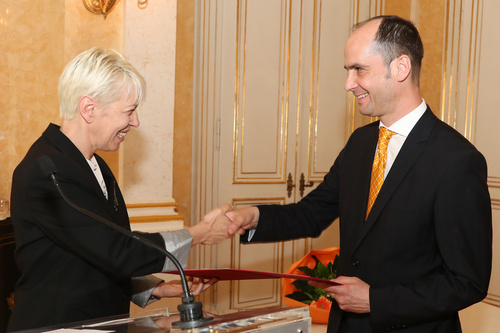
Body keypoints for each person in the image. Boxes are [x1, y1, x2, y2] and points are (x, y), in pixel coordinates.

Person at [226, 15, 492, 333]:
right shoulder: (360, 143)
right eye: (348, 71)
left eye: (359, 70)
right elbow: (311, 214)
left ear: (401, 68)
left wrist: (375, 300)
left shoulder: (456, 160)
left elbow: (467, 282)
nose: (348, 84)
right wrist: (251, 217)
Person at [7, 47, 232, 332]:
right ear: (89, 108)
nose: (135, 122)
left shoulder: (95, 164)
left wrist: (156, 290)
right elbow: (117, 249)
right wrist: (201, 233)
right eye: (130, 110)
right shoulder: (46, 171)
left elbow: (93, 254)